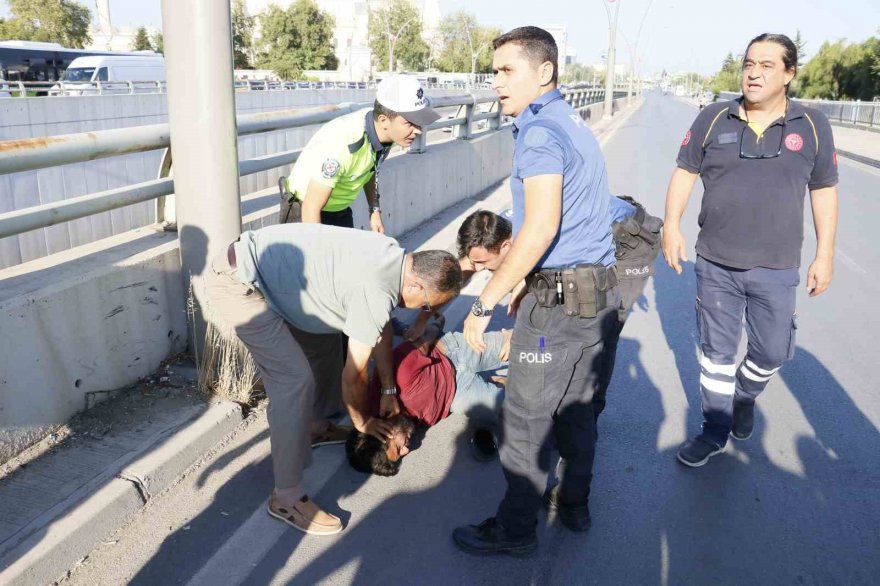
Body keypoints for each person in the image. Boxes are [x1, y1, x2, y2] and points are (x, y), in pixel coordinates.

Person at [452, 26, 623, 557]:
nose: (495, 82)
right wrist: (526, 277)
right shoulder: (568, 119)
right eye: (494, 70)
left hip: (553, 318)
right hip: (596, 300)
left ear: (544, 71)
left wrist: (483, 302)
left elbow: (542, 226)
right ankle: (573, 504)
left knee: (524, 417)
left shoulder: (541, 134)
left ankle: (515, 528)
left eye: (507, 70)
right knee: (576, 408)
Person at [203, 223, 461, 535]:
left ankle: (313, 426)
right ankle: (286, 497)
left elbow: (380, 328)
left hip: (280, 279)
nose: (425, 311)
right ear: (418, 286)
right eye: (429, 304)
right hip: (239, 284)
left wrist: (389, 388)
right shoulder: (376, 287)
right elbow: (353, 377)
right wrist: (362, 422)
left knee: (325, 338)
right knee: (293, 380)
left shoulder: (394, 257)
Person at [662, 33, 839, 468]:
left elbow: (824, 191)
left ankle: (745, 395)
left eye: (766, 65)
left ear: (789, 74)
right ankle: (714, 430)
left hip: (777, 268)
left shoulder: (812, 125)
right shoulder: (713, 117)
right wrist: (671, 225)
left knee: (771, 352)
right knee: (715, 355)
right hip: (716, 262)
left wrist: (825, 253)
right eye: (748, 64)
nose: (754, 73)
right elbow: (684, 172)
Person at [277, 74, 441, 447]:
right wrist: (319, 274)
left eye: (419, 122)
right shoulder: (344, 144)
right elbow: (312, 210)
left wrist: (375, 210)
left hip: (337, 216)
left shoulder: (382, 137)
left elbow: (371, 173)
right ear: (384, 117)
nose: (416, 131)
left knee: (346, 314)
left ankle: (336, 400)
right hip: (307, 218)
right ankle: (313, 423)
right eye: (410, 122)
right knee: (317, 325)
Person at [345, 320, 513, 476]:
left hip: (454, 353)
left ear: (385, 430)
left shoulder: (397, 378)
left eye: (398, 447)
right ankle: (498, 382)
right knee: (509, 406)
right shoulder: (399, 424)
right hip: (456, 392)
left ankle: (528, 337)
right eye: (401, 454)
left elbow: (424, 340)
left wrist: (435, 325)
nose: (406, 450)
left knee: (528, 347)